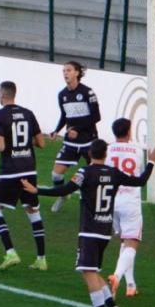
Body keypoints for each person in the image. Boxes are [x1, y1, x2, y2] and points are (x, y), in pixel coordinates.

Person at [22, 139, 155, 307]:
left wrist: (37, 190)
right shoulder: (113, 172)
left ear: (89, 154)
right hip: (104, 231)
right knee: (92, 271)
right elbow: (140, 181)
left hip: (89, 230)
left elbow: (65, 189)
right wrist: (152, 161)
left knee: (87, 273)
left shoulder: (84, 172)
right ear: (106, 155)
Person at [0, 80, 48, 272]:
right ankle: (41, 259)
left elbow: (1, 146)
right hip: (29, 168)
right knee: (33, 212)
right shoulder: (28, 114)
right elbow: (42, 143)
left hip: (11, 171)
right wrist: (24, 144)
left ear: (3, 95)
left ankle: (11, 252)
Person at [48, 61, 101, 212]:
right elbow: (65, 115)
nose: (65, 73)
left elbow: (96, 116)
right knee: (56, 174)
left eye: (69, 70)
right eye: (64, 71)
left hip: (89, 141)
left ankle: (95, 205)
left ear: (77, 73)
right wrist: (56, 130)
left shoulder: (87, 92)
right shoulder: (62, 95)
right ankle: (63, 195)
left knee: (94, 176)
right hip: (71, 142)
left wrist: (77, 129)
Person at [105, 118, 145, 298]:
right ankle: (117, 276)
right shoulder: (137, 151)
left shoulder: (107, 149)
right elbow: (140, 174)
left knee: (124, 241)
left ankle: (131, 284)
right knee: (131, 243)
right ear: (129, 131)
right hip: (130, 201)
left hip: (111, 201)